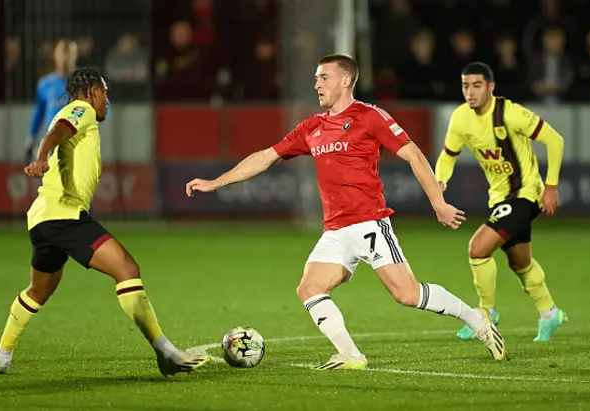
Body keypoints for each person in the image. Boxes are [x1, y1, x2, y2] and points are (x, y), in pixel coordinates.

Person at [186, 54, 506, 370]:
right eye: (315, 78)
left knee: (407, 294)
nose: (317, 84)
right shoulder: (313, 127)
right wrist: (218, 182)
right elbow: (266, 156)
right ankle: (351, 356)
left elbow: (414, 155)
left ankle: (476, 319)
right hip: (335, 230)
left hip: (369, 223)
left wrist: (438, 202)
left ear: (346, 80)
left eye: (323, 78)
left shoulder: (370, 116)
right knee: (309, 288)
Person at [0, 68, 210, 376]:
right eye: (105, 93)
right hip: (64, 216)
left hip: (44, 219)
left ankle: (1, 356)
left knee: (38, 291)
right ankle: (166, 353)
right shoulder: (82, 109)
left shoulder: (80, 116)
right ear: (91, 92)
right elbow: (58, 131)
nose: (107, 101)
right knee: (127, 269)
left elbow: (59, 133)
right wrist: (42, 157)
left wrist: (46, 156)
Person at [435, 62, 568, 342]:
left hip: (525, 194)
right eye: (465, 86)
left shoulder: (510, 113)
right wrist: (440, 181)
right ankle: (549, 312)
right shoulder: (460, 118)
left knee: (478, 248)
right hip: (499, 199)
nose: (470, 92)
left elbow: (555, 141)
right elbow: (448, 155)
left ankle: (486, 313)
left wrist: (551, 187)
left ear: (491, 87)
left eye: (477, 85)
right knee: (520, 262)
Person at [25, 39, 78, 163]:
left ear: (74, 56)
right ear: (55, 55)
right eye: (62, 52)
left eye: (68, 53)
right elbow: (39, 114)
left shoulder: (82, 82)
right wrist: (30, 140)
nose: (64, 57)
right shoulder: (46, 85)